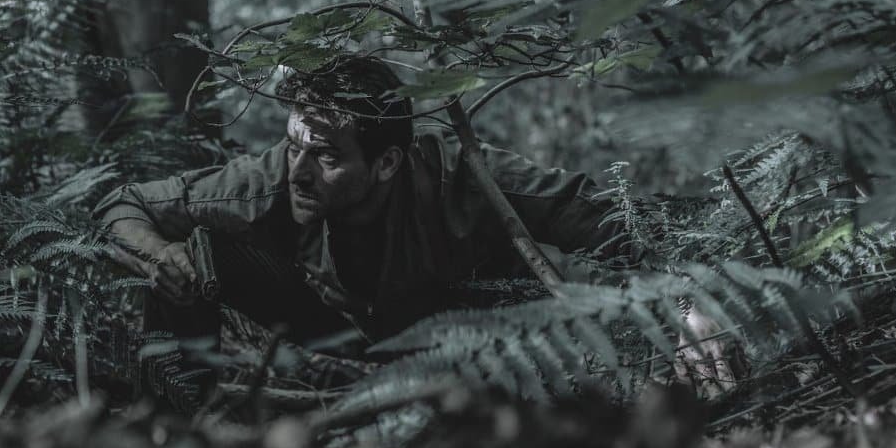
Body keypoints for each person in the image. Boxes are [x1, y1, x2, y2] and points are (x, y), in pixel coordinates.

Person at [95, 56, 637, 353]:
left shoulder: (467, 178)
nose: (298, 170)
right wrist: (158, 258)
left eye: (327, 155)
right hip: (343, 338)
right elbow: (125, 205)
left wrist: (692, 306)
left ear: (387, 163)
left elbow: (615, 221)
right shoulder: (273, 176)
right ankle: (179, 439)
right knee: (194, 252)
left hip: (473, 349)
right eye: (294, 144)